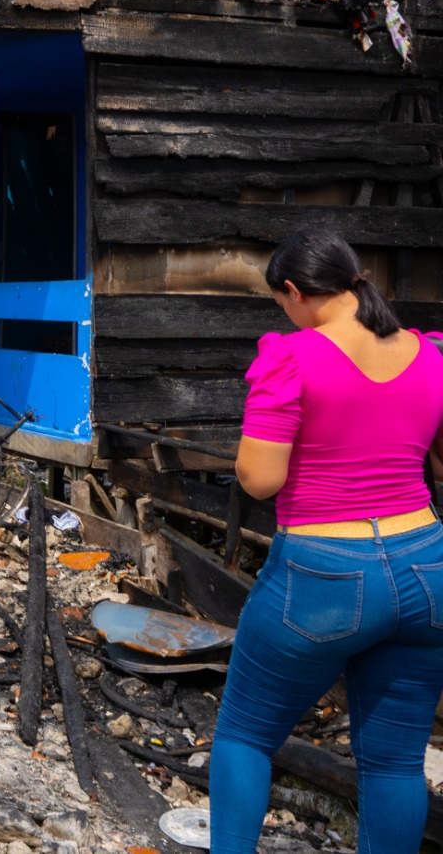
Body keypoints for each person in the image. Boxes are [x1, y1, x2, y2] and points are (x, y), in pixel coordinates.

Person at [210, 230, 443, 853]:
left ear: (294, 292)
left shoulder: (291, 358)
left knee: (245, 734)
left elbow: (261, 480)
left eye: (282, 302)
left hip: (325, 571)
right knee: (395, 762)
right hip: (426, 564)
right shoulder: (430, 354)